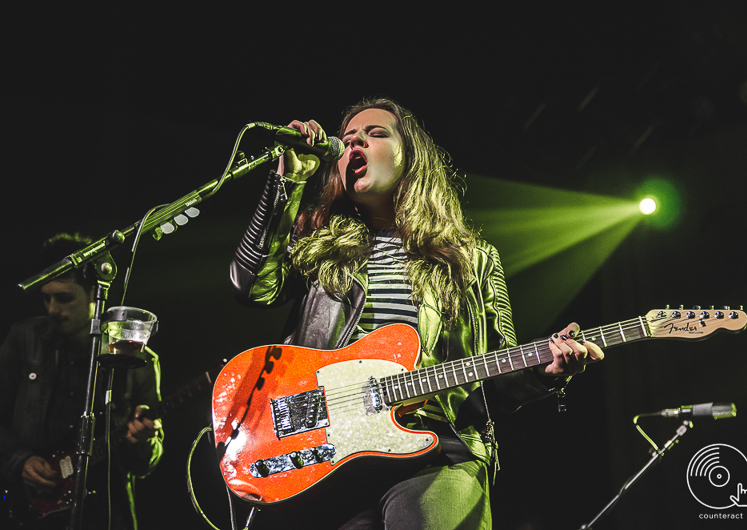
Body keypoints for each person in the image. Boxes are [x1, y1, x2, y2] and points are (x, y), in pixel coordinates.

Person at [229, 98, 604, 529]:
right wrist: (286, 185)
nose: (354, 145)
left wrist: (546, 371)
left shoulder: (474, 259)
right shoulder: (320, 246)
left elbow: (495, 381)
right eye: (347, 139)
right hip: (325, 455)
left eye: (375, 134)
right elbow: (250, 286)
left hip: (437, 450)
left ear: (412, 157)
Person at [0, 233, 163, 530]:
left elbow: (145, 465)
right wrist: (20, 461)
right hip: (30, 512)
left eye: (64, 298)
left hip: (105, 517)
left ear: (95, 294)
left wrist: (145, 441)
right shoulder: (24, 339)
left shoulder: (138, 359)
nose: (52, 309)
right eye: (46, 298)